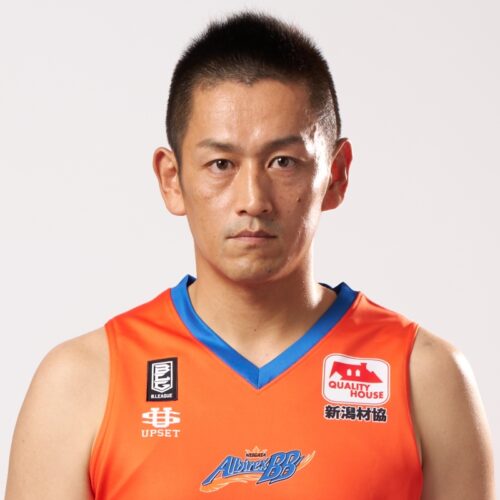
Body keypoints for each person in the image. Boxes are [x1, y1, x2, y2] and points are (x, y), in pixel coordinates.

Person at [5, 10, 495, 500]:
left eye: (283, 162)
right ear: (172, 179)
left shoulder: (424, 377)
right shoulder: (83, 384)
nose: (253, 199)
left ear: (336, 175)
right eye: (221, 163)